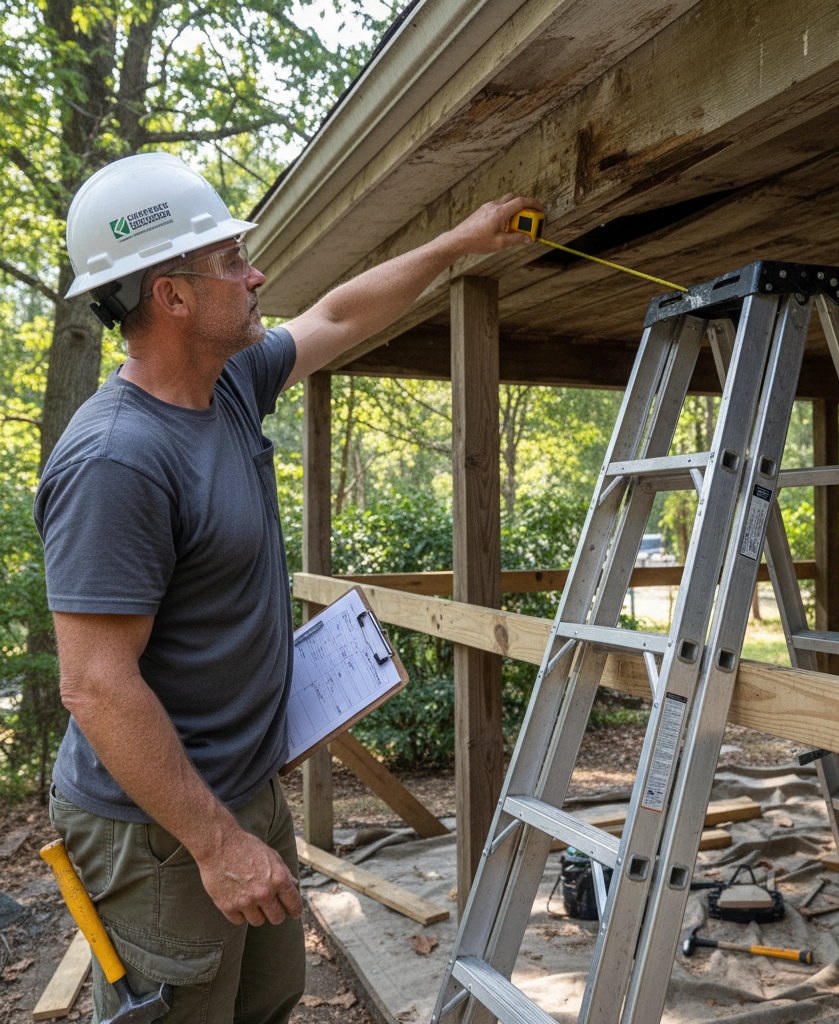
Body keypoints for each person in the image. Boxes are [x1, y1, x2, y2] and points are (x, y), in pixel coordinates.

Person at [34, 151, 540, 1024]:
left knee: (268, 998)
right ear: (173, 295)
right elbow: (94, 683)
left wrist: (462, 241)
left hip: (242, 789)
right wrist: (217, 843)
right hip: (162, 830)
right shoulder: (116, 460)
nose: (256, 272)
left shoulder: (228, 384)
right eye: (231, 259)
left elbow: (341, 314)